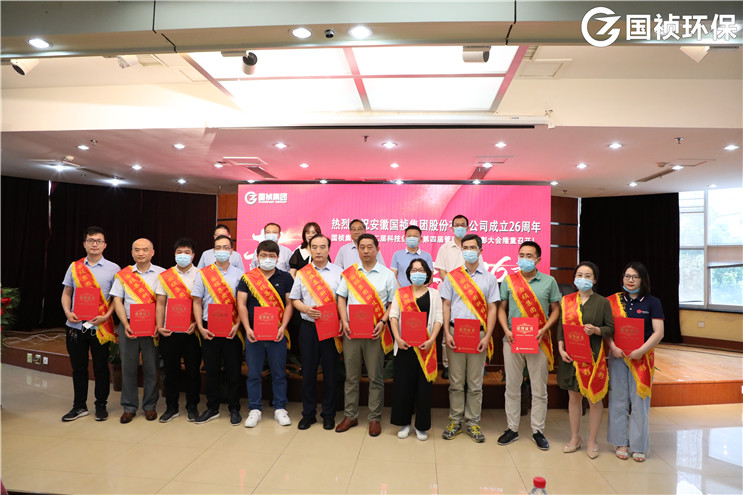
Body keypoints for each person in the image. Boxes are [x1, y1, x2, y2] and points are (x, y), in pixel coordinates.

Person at [496, 241, 561, 450]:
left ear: (538, 259)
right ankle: (512, 428)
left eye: (529, 256)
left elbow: (556, 310)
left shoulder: (549, 281)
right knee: (512, 387)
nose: (524, 259)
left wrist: (545, 329)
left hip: (538, 340)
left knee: (539, 388)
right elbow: (501, 308)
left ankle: (538, 431)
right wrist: (505, 330)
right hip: (512, 340)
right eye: (522, 255)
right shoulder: (509, 280)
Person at [440, 234, 499, 443]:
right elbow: (446, 305)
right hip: (455, 333)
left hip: (478, 335)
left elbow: (492, 309)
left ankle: (473, 422)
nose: (469, 251)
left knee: (475, 383)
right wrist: (446, 333)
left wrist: (488, 335)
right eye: (465, 248)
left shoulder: (490, 279)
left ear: (480, 251)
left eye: (473, 247)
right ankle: (455, 421)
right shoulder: (452, 277)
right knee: (456, 382)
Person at [335, 234, 396, 436]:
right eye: (362, 247)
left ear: (377, 249)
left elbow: (393, 303)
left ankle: (374, 418)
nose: (366, 251)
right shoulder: (349, 273)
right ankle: (350, 415)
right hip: (351, 332)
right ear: (358, 250)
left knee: (375, 377)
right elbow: (341, 298)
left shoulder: (387, 275)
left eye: (370, 247)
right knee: (351, 377)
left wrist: (383, 321)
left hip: (375, 333)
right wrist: (344, 321)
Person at [60, 226, 120, 422]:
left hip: (101, 326)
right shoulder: (74, 267)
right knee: (78, 368)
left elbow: (116, 299)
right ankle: (79, 406)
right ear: (84, 244)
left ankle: (101, 405)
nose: (95, 244)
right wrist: (67, 312)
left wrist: (107, 316)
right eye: (91, 240)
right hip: (76, 326)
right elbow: (67, 293)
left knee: (101, 368)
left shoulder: (114, 268)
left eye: (98, 241)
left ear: (105, 245)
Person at [607, 262, 664, 462]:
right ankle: (620, 442)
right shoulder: (612, 301)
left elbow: (659, 332)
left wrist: (641, 351)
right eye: (627, 276)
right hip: (617, 356)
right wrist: (612, 346)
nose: (630, 280)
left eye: (635, 277)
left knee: (640, 403)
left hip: (642, 359)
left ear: (643, 279)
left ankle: (639, 446)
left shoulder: (653, 302)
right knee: (618, 400)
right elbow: (607, 329)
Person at [557, 262, 614, 459]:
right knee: (574, 397)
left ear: (594, 280)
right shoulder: (567, 301)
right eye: (579, 274)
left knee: (594, 399)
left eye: (587, 275)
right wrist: (560, 348)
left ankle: (592, 441)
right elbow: (561, 327)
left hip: (593, 358)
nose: (583, 278)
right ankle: (575, 437)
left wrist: (596, 330)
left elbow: (610, 328)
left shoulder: (602, 302)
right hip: (571, 356)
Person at [237, 240, 295, 428]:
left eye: (271, 256)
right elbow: (241, 304)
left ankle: (280, 408)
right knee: (254, 374)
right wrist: (247, 328)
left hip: (277, 334)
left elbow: (289, 304)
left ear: (277, 258)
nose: (267, 259)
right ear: (257, 257)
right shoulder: (248, 278)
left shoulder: (285, 277)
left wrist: (283, 327)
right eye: (263, 255)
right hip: (254, 334)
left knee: (279, 373)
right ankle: (255, 409)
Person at [289, 234, 343, 430]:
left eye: (322, 247)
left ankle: (328, 414)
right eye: (315, 247)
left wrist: (340, 320)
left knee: (330, 372)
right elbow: (294, 299)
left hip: (331, 328)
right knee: (309, 372)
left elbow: (343, 300)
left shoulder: (339, 272)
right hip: (309, 328)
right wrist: (305, 309)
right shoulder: (303, 273)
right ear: (309, 249)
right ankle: (308, 414)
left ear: (329, 249)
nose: (318, 251)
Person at [192, 235, 244, 426]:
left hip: (232, 328)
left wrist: (238, 324)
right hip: (209, 328)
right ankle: (212, 408)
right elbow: (197, 301)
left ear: (231, 251)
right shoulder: (203, 273)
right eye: (218, 248)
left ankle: (234, 408)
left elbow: (242, 304)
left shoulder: (239, 274)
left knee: (234, 371)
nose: (222, 251)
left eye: (225, 247)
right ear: (213, 251)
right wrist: (200, 326)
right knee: (211, 370)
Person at [111, 238, 165, 423]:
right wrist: (125, 324)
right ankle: (129, 407)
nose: (140, 253)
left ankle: (150, 406)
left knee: (151, 367)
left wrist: (159, 324)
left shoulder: (162, 274)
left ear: (152, 252)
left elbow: (163, 302)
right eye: (137, 249)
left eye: (145, 249)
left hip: (152, 326)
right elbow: (117, 300)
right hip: (129, 325)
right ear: (132, 252)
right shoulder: (123, 275)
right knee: (128, 368)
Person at [389, 259, 442, 441]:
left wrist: (431, 339)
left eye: (421, 270)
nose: (417, 273)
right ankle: (405, 424)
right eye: (413, 270)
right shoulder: (400, 293)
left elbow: (438, 319)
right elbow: (393, 317)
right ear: (408, 273)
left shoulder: (434, 294)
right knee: (403, 387)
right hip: (404, 346)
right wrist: (397, 338)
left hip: (425, 347)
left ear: (427, 274)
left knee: (423, 389)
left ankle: (421, 426)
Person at [154, 237, 202, 423]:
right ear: (174, 254)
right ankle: (171, 407)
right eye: (179, 252)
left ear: (193, 255)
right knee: (170, 370)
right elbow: (160, 303)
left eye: (187, 252)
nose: (183, 255)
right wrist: (160, 326)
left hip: (192, 331)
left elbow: (201, 303)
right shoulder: (165, 276)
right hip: (170, 331)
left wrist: (197, 323)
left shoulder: (201, 275)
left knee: (193, 371)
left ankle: (192, 406)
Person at [433, 214, 474, 379]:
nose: (459, 227)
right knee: (448, 329)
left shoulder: (472, 248)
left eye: (463, 225)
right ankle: (447, 365)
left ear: (468, 228)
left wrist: (465, 289)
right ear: (451, 228)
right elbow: (441, 270)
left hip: (469, 294)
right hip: (448, 293)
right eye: (456, 225)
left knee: (467, 327)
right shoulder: (445, 247)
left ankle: (468, 364)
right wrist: (454, 286)